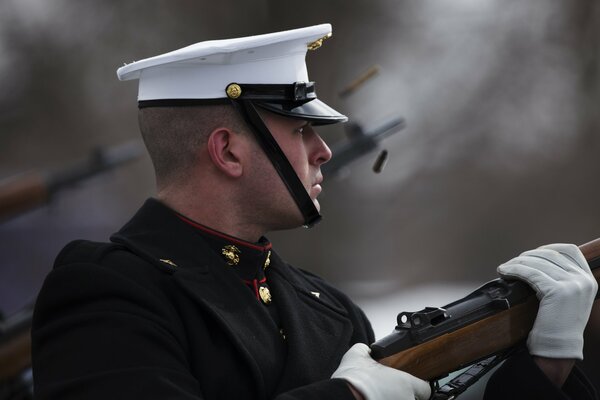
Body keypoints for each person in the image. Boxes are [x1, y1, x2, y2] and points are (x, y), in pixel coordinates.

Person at [31, 24, 598, 400]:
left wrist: (546, 367)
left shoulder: (327, 310)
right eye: (301, 130)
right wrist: (348, 396)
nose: (324, 150)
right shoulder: (106, 291)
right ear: (227, 150)